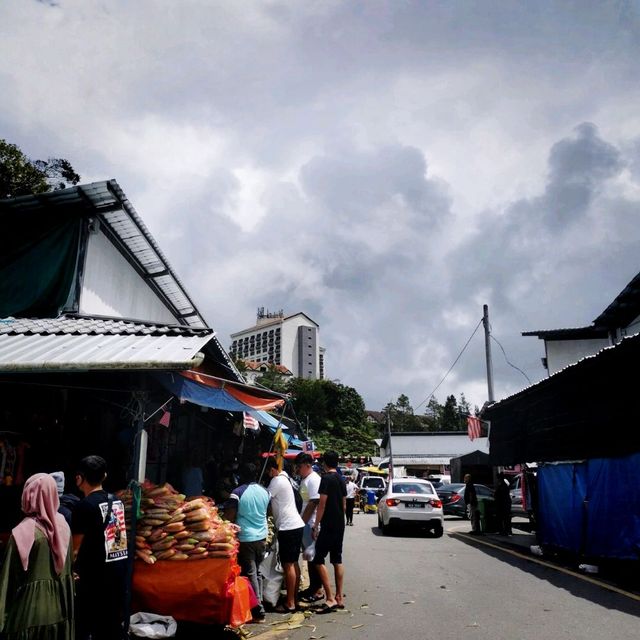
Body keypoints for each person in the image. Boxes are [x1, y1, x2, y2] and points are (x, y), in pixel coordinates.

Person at [0, 473, 75, 639]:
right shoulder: (64, 528)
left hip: (27, 617)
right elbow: (68, 574)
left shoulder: (22, 534)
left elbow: (7, 582)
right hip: (58, 614)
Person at [72, 455, 128, 640]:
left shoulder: (84, 506)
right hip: (117, 573)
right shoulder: (117, 502)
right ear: (104, 476)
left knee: (86, 626)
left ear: (79, 478)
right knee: (109, 627)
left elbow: (75, 549)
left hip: (94, 578)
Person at [225, 462, 270, 623]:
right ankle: (258, 602)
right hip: (262, 536)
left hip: (246, 538)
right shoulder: (265, 491)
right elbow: (268, 511)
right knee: (257, 571)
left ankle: (258, 609)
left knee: (251, 572)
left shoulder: (237, 493)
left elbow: (229, 516)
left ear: (241, 476)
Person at [264, 456, 305, 613]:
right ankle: (294, 598)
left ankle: (290, 603)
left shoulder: (276, 481)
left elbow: (264, 499)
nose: (268, 476)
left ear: (273, 469)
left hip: (288, 527)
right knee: (294, 563)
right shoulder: (285, 477)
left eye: (268, 472)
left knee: (288, 565)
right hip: (295, 525)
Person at [311, 450, 347, 614]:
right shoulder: (340, 478)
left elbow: (322, 504)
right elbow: (344, 504)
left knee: (318, 559)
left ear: (324, 462)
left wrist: (316, 525)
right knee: (337, 559)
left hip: (329, 524)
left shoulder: (326, 478)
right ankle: (339, 597)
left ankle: (330, 597)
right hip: (340, 523)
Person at [294, 452, 323, 604]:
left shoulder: (314, 479)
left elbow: (313, 502)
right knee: (309, 557)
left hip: (310, 523)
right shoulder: (305, 478)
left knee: (313, 558)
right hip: (305, 523)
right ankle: (313, 587)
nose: (298, 470)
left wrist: (301, 522)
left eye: (299, 467)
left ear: (307, 465)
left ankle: (317, 590)